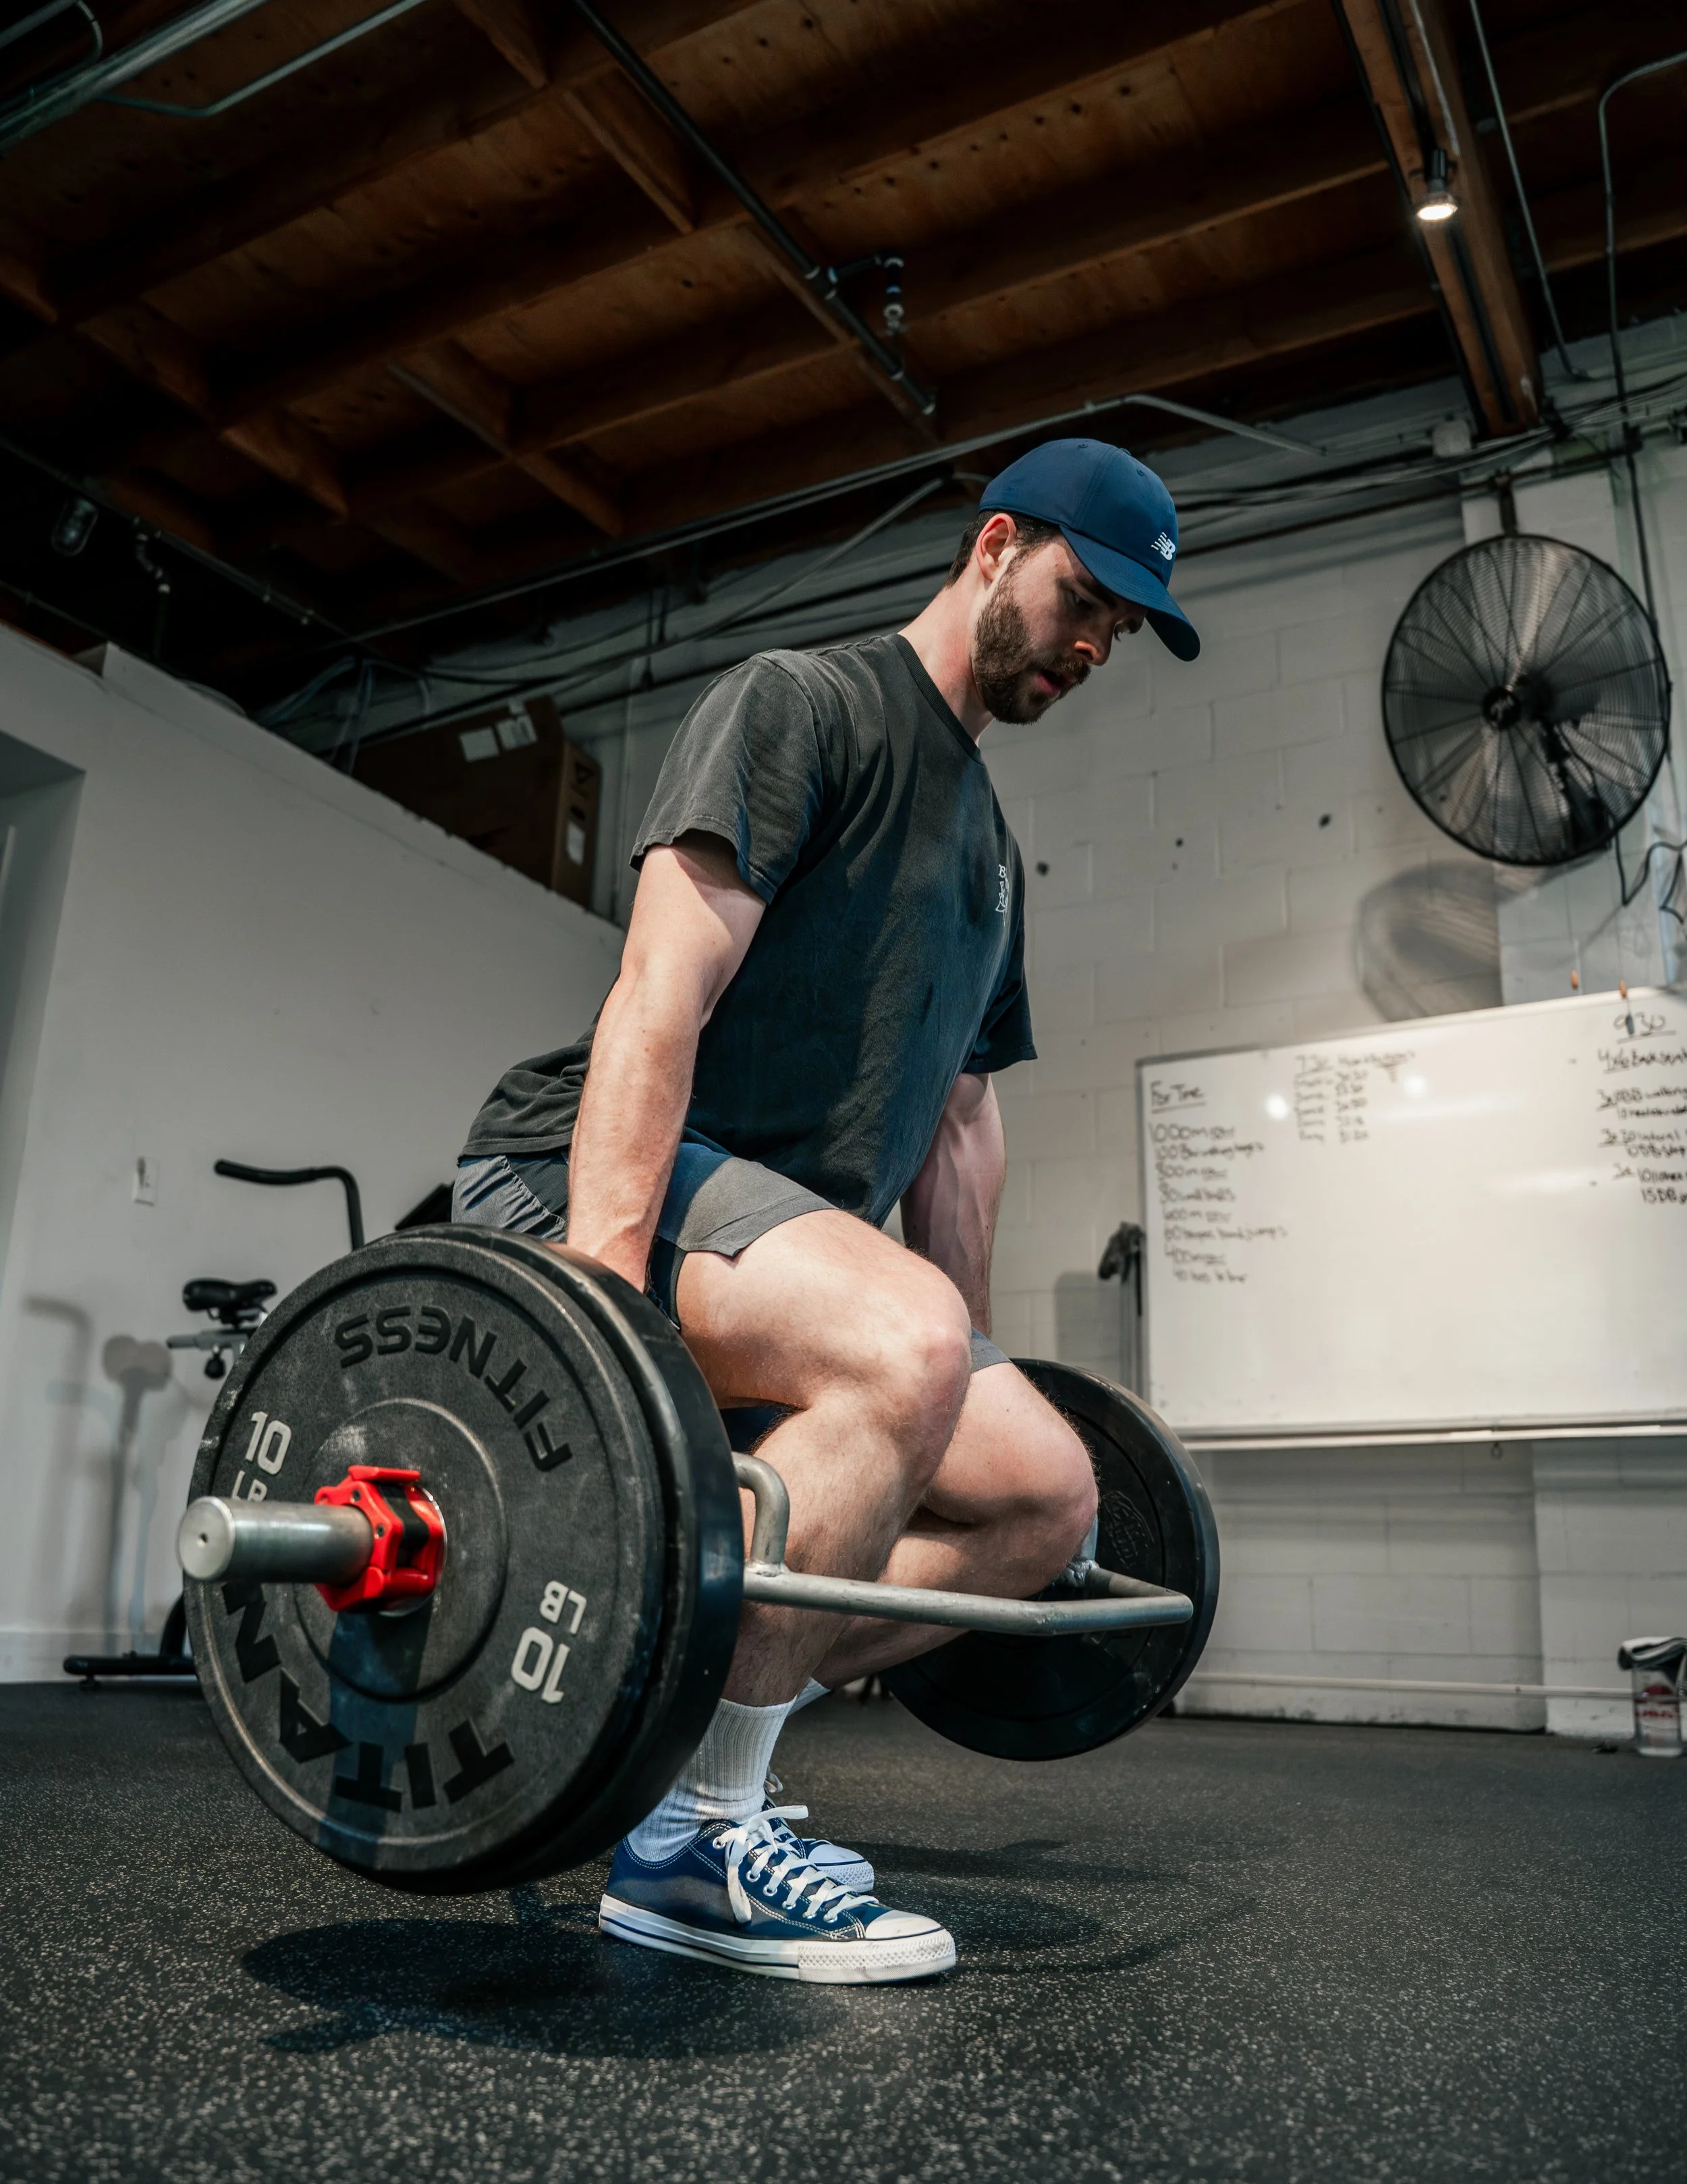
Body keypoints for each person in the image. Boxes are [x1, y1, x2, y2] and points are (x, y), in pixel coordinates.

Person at [454, 437, 1199, 1982]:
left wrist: (966, 1357)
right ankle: (694, 1839)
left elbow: (961, 1128)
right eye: (1082, 599)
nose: (1088, 646)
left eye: (1118, 632)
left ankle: (667, 1670)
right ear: (995, 545)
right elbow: (656, 992)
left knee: (1045, 1502)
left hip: (780, 1233)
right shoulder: (803, 705)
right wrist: (601, 1298)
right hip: (593, 1177)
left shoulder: (991, 849)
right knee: (903, 1345)